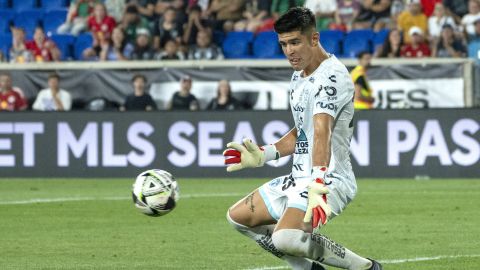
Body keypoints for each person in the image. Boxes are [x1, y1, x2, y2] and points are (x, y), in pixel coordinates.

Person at [222, 7, 382, 270]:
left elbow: (322, 130)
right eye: (283, 44)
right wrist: (265, 154)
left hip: (329, 178)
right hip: (299, 177)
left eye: (295, 42)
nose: (289, 51)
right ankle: (308, 268)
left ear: (314, 39)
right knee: (237, 218)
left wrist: (318, 180)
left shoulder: (333, 77)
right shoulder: (298, 76)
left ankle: (364, 267)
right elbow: (303, 132)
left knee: (284, 238)